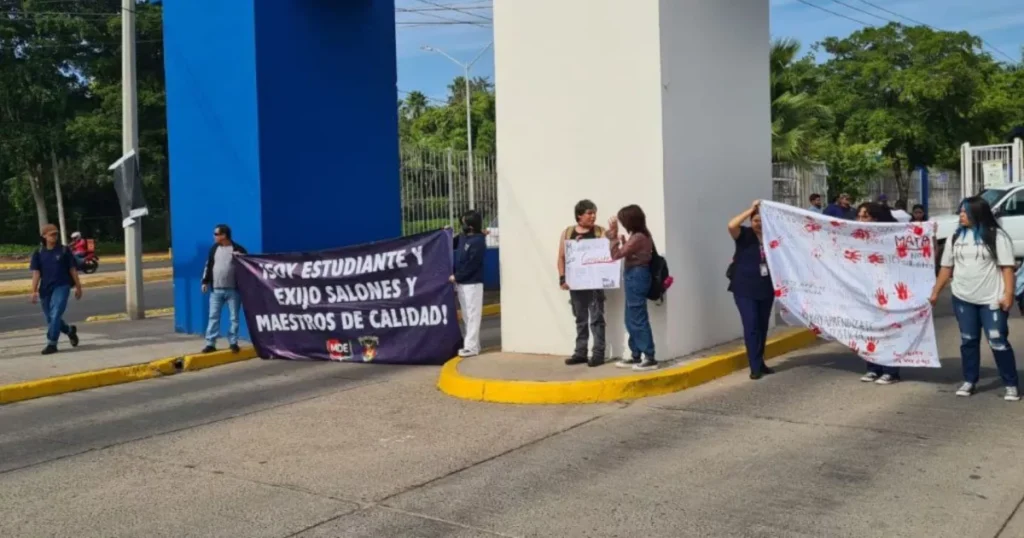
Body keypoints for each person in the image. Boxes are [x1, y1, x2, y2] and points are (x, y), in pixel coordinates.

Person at [930, 197, 1019, 401]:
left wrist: (1008, 294)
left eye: (965, 212)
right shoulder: (956, 237)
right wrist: (935, 292)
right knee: (968, 341)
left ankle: (1011, 383)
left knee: (997, 340)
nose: (961, 215)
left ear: (977, 213)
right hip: (963, 298)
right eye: (960, 211)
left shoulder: (997, 236)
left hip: (992, 299)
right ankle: (970, 380)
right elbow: (946, 268)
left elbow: (1007, 267)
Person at [727, 200, 776, 380]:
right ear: (750, 221)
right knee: (751, 325)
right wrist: (751, 210)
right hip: (745, 287)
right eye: (755, 220)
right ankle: (754, 366)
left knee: (762, 326)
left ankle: (760, 362)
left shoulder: (771, 238)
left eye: (761, 220)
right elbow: (731, 225)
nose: (759, 223)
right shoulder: (744, 235)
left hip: (766, 287)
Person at [854, 203, 902, 385]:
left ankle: (891, 370)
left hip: (888, 290)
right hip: (865, 291)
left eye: (864, 216)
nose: (860, 220)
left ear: (876, 218)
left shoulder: (890, 237)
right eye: (858, 216)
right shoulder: (855, 238)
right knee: (869, 330)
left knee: (887, 330)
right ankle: (873, 367)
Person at [606, 205, 657, 372]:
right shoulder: (638, 236)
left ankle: (649, 357)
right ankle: (636, 354)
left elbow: (616, 255)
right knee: (630, 317)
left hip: (637, 275)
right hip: (634, 275)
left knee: (637, 317)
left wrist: (613, 236)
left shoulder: (639, 237)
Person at [557, 199, 606, 367]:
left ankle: (598, 353)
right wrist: (562, 278)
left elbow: (609, 250)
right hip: (576, 284)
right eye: (589, 213)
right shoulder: (568, 232)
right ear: (579, 215)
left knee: (597, 318)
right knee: (580, 318)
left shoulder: (600, 232)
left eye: (594, 213)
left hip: (594, 284)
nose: (593, 217)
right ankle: (580, 352)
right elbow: (561, 257)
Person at [30, 224, 83, 355]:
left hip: (62, 286)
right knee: (51, 318)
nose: (55, 236)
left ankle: (52, 344)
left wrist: (78, 287)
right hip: (45, 289)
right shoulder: (38, 253)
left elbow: (72, 269)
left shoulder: (64, 251)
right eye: (51, 234)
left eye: (56, 234)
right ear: (44, 236)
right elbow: (36, 273)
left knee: (55, 314)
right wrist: (33, 291)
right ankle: (70, 331)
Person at [201, 224, 247, 353]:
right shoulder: (214, 249)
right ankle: (210, 343)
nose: (214, 236)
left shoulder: (238, 249)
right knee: (213, 317)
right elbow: (208, 265)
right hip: (216, 290)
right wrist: (205, 282)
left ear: (224, 235)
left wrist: (241, 258)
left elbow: (247, 268)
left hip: (233, 290)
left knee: (234, 318)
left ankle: (233, 342)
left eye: (216, 234)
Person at [451, 210, 487, 357]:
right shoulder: (462, 238)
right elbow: (449, 243)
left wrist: (456, 277)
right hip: (462, 284)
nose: (462, 225)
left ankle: (471, 347)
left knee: (473, 315)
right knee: (467, 316)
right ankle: (474, 345)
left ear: (471, 226)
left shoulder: (478, 242)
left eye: (464, 223)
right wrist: (445, 234)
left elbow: (472, 265)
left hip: (472, 284)